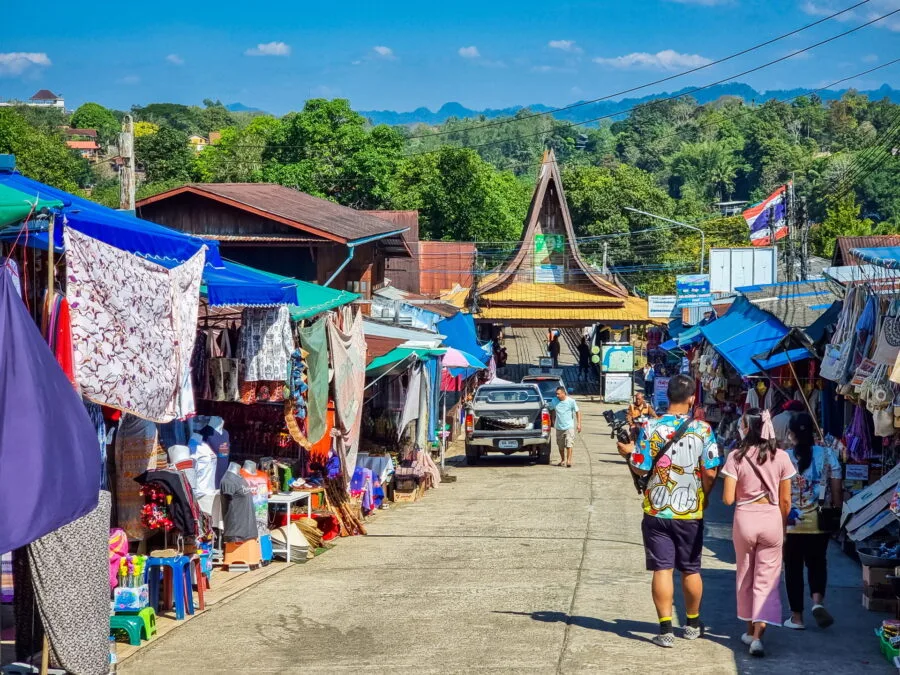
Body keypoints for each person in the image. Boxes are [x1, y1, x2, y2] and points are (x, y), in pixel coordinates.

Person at [616, 374, 722, 648]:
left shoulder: (651, 427)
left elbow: (640, 466)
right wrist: (705, 497)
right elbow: (710, 472)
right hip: (690, 512)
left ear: (667, 396)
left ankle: (665, 631)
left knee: (662, 569)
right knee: (690, 569)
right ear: (692, 399)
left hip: (657, 510)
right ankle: (692, 624)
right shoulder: (703, 430)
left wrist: (628, 452)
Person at [721, 409, 795, 658]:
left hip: (745, 519)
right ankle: (758, 638)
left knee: (745, 575)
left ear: (746, 428)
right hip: (772, 519)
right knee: (768, 579)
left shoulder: (735, 456)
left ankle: (749, 630)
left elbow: (728, 499)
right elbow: (786, 501)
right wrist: (782, 528)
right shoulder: (782, 457)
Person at [783, 412, 843, 631]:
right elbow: (837, 491)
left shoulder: (785, 458)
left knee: (793, 569)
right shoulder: (828, 455)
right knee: (818, 563)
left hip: (792, 523)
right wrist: (836, 510)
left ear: (791, 434)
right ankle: (817, 602)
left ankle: (796, 618)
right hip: (820, 521)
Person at [553, 386, 581, 468]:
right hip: (559, 427)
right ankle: (562, 460)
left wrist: (579, 424)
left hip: (569, 427)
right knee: (560, 446)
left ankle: (569, 461)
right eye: (556, 394)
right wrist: (552, 419)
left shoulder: (571, 401)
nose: (557, 395)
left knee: (569, 444)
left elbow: (577, 412)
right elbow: (550, 408)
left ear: (563, 393)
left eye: (558, 394)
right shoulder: (554, 401)